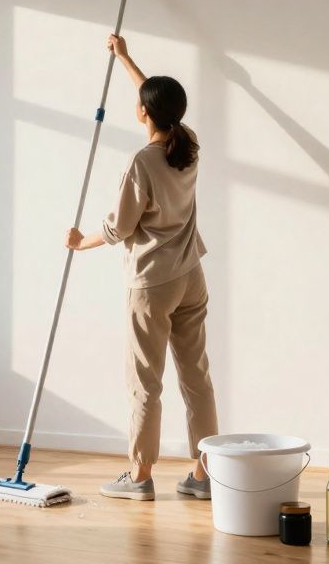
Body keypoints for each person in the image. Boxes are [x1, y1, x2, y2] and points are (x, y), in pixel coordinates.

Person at [65, 34, 219, 502]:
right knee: (196, 376)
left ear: (144, 112)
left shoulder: (143, 162)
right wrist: (125, 58)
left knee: (145, 382)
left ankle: (140, 476)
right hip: (191, 276)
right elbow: (155, 97)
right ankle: (202, 474)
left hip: (152, 284)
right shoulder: (188, 145)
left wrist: (80, 242)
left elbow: (118, 227)